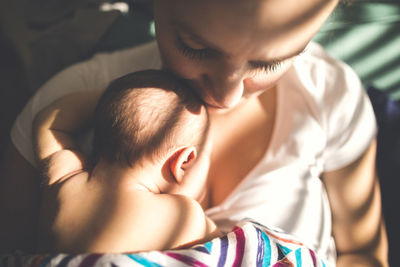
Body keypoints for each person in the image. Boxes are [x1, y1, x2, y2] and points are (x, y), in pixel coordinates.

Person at [0, 0, 388, 265]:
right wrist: (120, 101)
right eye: (196, 47)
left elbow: (364, 253)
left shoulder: (329, 96)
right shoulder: (72, 90)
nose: (226, 93)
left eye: (272, 63)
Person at [33, 70, 219, 253]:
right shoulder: (184, 215)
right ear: (183, 162)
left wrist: (116, 103)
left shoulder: (65, 174)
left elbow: (48, 121)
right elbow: (228, 250)